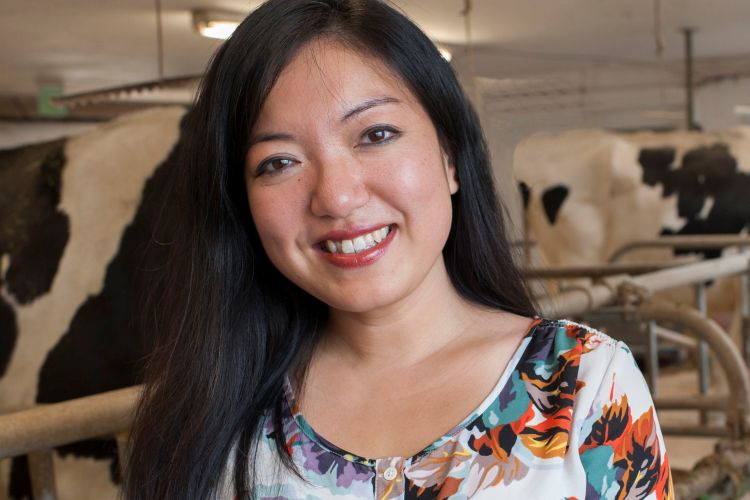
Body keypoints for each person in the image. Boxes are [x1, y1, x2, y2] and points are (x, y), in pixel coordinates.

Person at [124, 0, 673, 498]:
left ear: (451, 156)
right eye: (279, 162)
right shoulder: (209, 420)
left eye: (376, 134)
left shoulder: (584, 385)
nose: (336, 197)